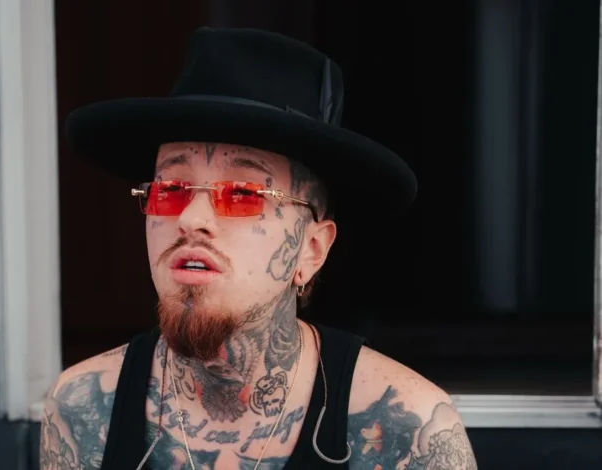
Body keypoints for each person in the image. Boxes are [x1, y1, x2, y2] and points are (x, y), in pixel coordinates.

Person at [40, 27, 478, 470]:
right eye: (170, 189)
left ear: (311, 250)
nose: (191, 218)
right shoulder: (82, 411)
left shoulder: (408, 431)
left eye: (242, 194)